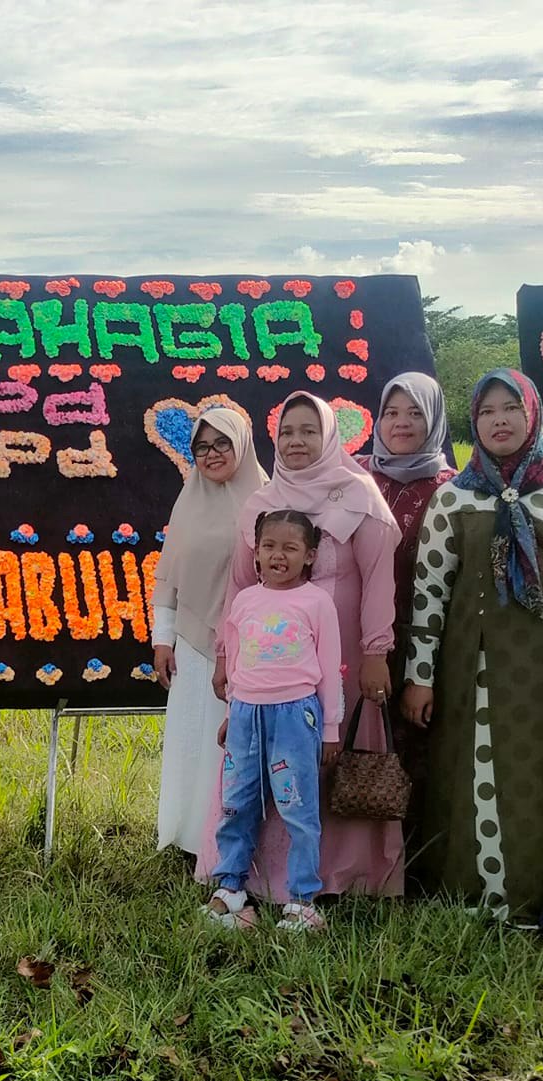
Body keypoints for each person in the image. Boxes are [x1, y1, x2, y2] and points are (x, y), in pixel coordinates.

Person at [400, 369, 543, 923]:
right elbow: (429, 590)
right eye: (486, 411)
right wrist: (420, 675)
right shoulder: (454, 495)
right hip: (472, 665)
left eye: (511, 408)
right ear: (473, 422)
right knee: (474, 770)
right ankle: (474, 895)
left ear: (533, 413)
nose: (499, 420)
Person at [215, 391, 403, 900]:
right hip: (267, 668)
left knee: (326, 760)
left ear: (330, 436)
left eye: (308, 431)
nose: (296, 441)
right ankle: (256, 877)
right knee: (261, 766)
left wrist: (376, 651)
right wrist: (225, 657)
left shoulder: (359, 495)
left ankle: (340, 876)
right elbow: (238, 586)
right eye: (287, 432)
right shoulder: (262, 502)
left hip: (339, 659)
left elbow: (379, 580)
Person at [206, 510, 343, 933]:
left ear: (310, 555)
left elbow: (330, 668)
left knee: (297, 807)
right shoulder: (245, 601)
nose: (277, 556)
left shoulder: (317, 602)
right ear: (256, 552)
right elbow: (238, 662)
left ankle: (302, 902)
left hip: (295, 717)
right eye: (268, 546)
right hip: (246, 716)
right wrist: (231, 713)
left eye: (290, 548)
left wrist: (330, 729)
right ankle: (230, 888)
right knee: (237, 801)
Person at [152, 406, 267, 877]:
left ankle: (231, 841)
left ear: (242, 444)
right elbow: (168, 575)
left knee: (232, 744)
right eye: (202, 447)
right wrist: (162, 639)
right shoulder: (187, 502)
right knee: (193, 741)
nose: (212, 454)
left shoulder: (266, 499)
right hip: (192, 647)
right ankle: (189, 839)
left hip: (250, 647)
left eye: (222, 443)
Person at [358, 372, 457, 884]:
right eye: (391, 413)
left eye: (415, 413)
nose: (401, 424)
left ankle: (410, 871)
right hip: (356, 638)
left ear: (434, 420)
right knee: (354, 747)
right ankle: (353, 865)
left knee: (415, 747)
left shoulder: (453, 489)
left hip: (424, 640)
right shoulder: (354, 476)